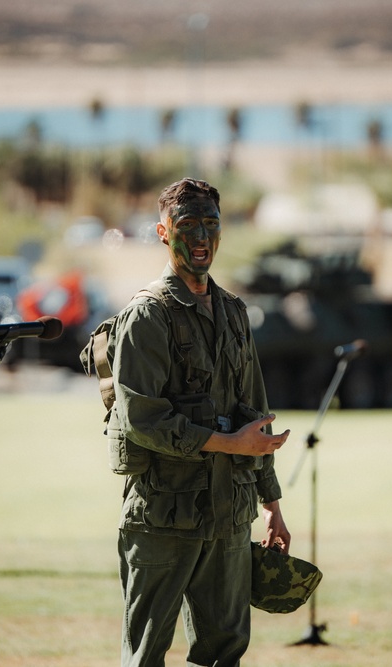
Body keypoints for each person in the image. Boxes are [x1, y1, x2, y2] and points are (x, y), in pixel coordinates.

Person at [106, 178, 291, 666]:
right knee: (145, 655)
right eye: (189, 225)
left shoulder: (233, 312)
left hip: (229, 516)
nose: (202, 237)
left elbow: (256, 410)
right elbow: (142, 419)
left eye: (211, 224)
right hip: (165, 516)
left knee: (224, 651)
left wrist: (271, 504)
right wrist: (231, 444)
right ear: (164, 233)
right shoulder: (146, 316)